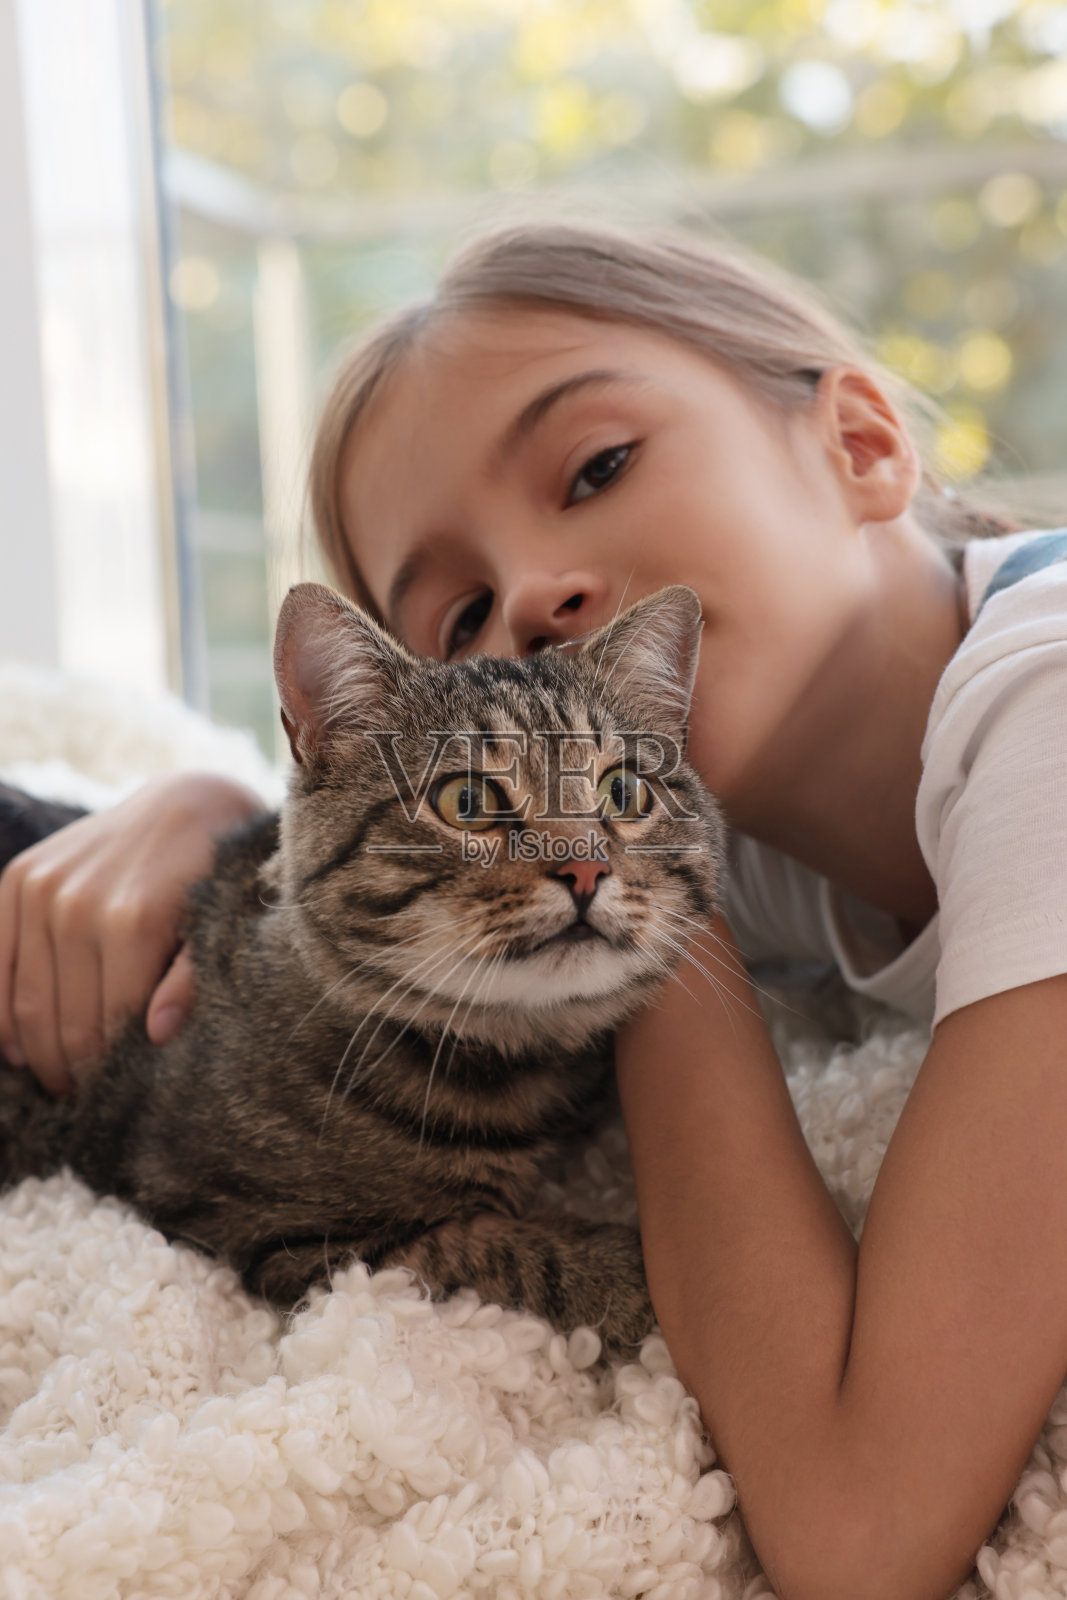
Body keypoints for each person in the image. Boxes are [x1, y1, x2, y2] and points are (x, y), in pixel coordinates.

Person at [2, 220, 1065, 1600]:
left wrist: (639, 917)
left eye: (598, 466)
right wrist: (203, 799)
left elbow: (859, 1532)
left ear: (861, 441)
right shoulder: (756, 800)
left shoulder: (1048, 716)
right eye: (458, 623)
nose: (536, 605)